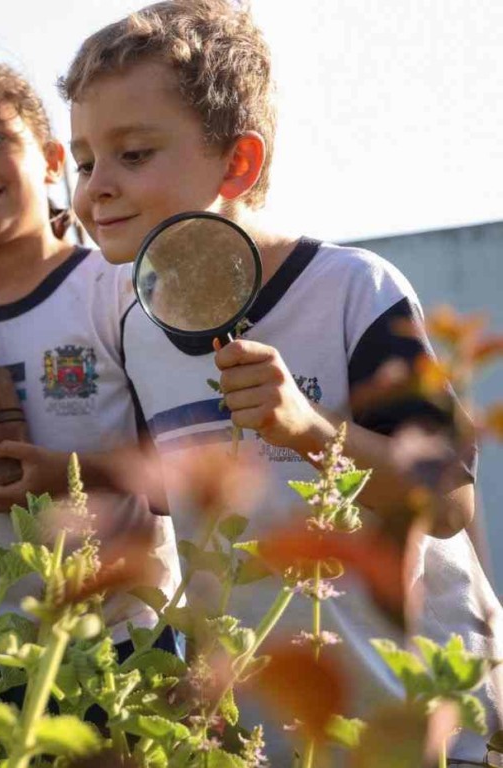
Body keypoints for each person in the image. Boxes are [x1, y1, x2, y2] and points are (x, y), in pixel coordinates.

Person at [61, 0, 502, 758]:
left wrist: (310, 431)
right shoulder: (136, 327)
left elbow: (449, 502)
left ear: (238, 163)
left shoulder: (355, 289)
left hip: (420, 721)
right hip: (266, 734)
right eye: (83, 161)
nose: (95, 186)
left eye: (132, 154)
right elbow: (173, 516)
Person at [0, 61, 181, 658]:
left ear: (51, 161)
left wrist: (69, 474)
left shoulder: (117, 289)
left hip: (121, 636)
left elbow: (178, 476)